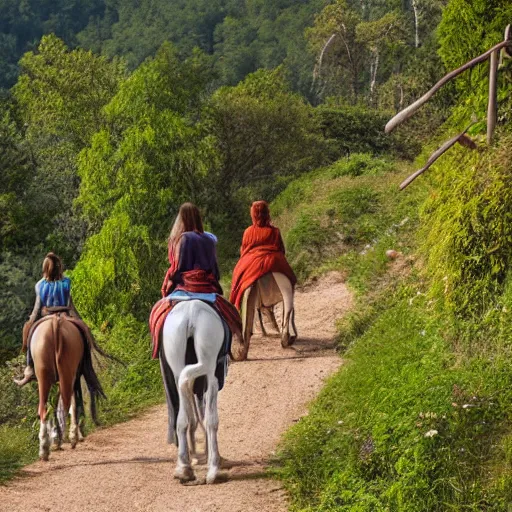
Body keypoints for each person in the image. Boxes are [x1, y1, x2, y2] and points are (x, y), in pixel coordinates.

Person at [151, 202, 241, 359]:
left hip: (186, 287)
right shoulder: (210, 239)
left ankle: (157, 347)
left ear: (182, 218)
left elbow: (179, 268)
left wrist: (171, 279)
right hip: (207, 287)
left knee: (157, 314)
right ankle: (229, 347)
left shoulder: (182, 239)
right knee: (230, 315)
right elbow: (215, 270)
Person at [15, 253, 84, 386]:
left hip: (47, 315)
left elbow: (36, 308)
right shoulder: (67, 282)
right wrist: (80, 321)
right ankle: (85, 365)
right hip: (65, 314)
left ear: (45, 268)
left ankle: (29, 367)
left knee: (30, 334)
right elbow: (71, 306)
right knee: (84, 335)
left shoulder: (40, 285)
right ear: (59, 268)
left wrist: (30, 322)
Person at [229, 200, 297, 309]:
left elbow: (244, 252)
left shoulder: (248, 232)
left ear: (253, 215)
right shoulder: (275, 231)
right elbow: (281, 250)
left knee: (237, 275)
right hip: (274, 262)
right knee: (291, 278)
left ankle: (236, 303)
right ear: (267, 213)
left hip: (253, 262)